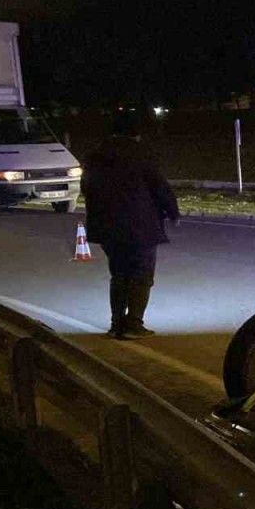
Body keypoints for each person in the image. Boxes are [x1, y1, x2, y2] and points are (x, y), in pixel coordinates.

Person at [81, 111, 179, 339]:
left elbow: (87, 188)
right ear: (136, 133)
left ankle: (116, 324)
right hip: (140, 226)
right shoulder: (140, 153)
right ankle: (134, 324)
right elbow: (159, 186)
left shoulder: (96, 156)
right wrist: (172, 211)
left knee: (119, 274)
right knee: (141, 274)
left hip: (107, 227)